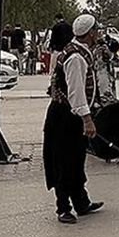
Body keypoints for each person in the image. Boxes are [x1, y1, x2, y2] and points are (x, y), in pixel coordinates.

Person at [43, 14, 104, 225]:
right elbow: (76, 92)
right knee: (65, 161)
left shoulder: (77, 51)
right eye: (97, 30)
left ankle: (81, 202)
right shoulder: (76, 58)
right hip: (66, 116)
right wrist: (87, 119)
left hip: (69, 114)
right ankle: (63, 207)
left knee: (76, 160)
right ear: (91, 33)